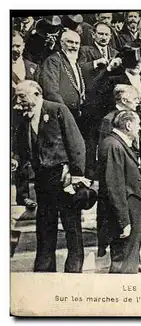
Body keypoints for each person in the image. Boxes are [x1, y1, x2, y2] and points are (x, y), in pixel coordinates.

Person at [12, 80, 86, 273]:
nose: (17, 100)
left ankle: (74, 271)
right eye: (16, 96)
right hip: (42, 181)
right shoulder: (22, 118)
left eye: (22, 96)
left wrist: (76, 175)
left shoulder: (57, 110)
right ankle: (45, 270)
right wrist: (16, 161)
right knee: (45, 226)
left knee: (71, 226)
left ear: (37, 94)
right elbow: (20, 149)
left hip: (64, 177)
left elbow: (76, 144)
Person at [97, 110, 141, 274]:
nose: (140, 128)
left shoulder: (118, 143)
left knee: (128, 259)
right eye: (138, 124)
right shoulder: (113, 145)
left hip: (131, 209)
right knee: (124, 261)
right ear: (128, 125)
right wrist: (124, 221)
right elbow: (115, 186)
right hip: (125, 211)